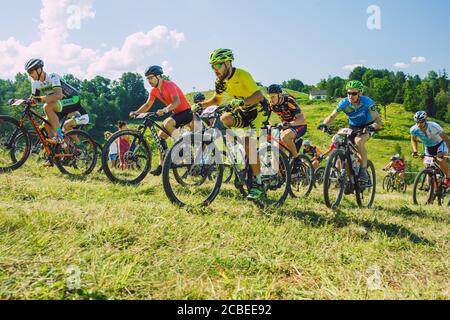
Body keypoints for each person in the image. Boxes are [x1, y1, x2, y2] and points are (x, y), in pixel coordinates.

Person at [197, 48, 270, 200]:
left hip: (258, 110)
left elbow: (258, 95)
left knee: (249, 142)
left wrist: (242, 101)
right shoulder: (220, 81)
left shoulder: (242, 75)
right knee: (222, 120)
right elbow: (216, 100)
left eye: (218, 65)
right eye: (212, 66)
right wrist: (200, 105)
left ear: (228, 63)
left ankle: (258, 183)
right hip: (242, 111)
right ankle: (235, 155)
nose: (214, 70)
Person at [130, 65, 194, 176]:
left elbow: (176, 102)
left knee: (167, 123)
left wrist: (165, 110)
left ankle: (185, 150)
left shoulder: (169, 85)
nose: (149, 81)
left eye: (151, 78)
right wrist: (136, 112)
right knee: (160, 137)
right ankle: (161, 165)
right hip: (176, 114)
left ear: (158, 76)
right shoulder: (154, 91)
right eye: (147, 79)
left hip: (186, 112)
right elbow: (148, 104)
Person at [318, 80, 382, 186]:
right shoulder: (344, 103)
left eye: (354, 93)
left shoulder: (367, 102)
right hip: (353, 127)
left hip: (368, 126)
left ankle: (363, 171)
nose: (350, 96)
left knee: (358, 141)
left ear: (360, 93)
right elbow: (332, 116)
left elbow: (378, 121)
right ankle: (348, 175)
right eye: (348, 93)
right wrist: (324, 124)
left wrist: (371, 127)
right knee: (337, 139)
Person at [25, 58, 87, 144]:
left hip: (72, 99)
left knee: (47, 107)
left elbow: (59, 95)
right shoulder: (34, 82)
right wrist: (24, 102)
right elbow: (34, 99)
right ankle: (63, 149)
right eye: (28, 73)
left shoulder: (52, 76)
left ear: (39, 70)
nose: (30, 75)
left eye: (31, 72)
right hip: (59, 104)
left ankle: (60, 136)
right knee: (46, 124)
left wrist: (40, 99)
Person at [267, 84, 307, 174]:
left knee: (285, 136)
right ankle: (281, 175)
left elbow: (301, 117)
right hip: (285, 126)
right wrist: (268, 125)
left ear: (280, 95)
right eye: (269, 97)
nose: (271, 99)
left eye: (273, 96)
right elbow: (265, 119)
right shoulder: (271, 104)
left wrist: (290, 124)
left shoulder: (289, 101)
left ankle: (297, 160)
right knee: (276, 148)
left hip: (299, 124)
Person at [410, 111, 450, 187]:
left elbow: (446, 139)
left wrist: (448, 152)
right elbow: (413, 140)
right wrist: (415, 150)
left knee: (440, 160)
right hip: (428, 147)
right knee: (428, 166)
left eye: (421, 122)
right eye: (417, 122)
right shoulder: (413, 129)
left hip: (440, 144)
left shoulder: (434, 126)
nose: (419, 124)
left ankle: (448, 178)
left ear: (425, 120)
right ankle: (433, 190)